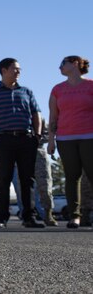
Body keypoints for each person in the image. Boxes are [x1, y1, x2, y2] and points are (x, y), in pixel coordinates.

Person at [0, 58, 45, 228]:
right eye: (15, 69)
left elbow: (36, 113)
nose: (18, 72)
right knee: (4, 178)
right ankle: (2, 218)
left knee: (27, 179)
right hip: (3, 140)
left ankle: (29, 217)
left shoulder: (27, 92)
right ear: (3, 70)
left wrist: (37, 135)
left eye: (19, 69)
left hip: (27, 139)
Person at [47, 55, 93, 229]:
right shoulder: (57, 89)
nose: (60, 67)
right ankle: (75, 216)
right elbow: (53, 116)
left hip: (89, 137)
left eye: (62, 64)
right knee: (72, 178)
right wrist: (51, 141)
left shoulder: (90, 85)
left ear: (74, 64)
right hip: (65, 138)